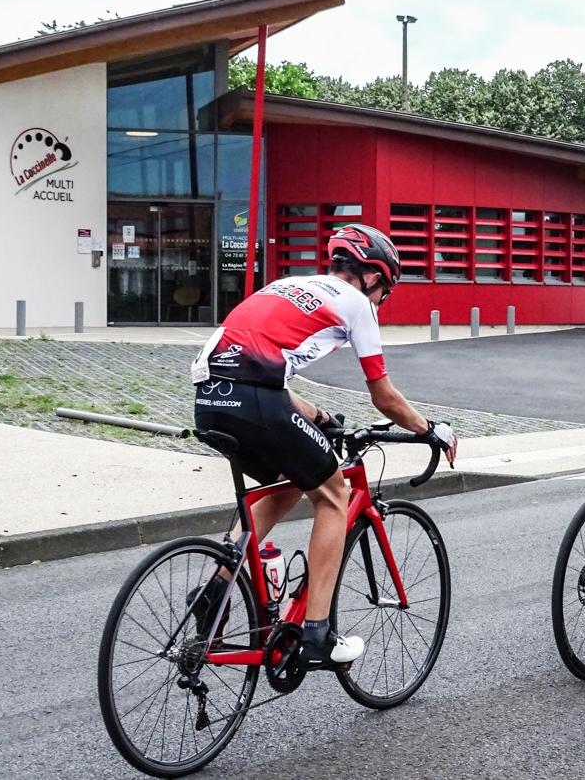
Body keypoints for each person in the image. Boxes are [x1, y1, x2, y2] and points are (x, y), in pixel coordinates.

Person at [189, 224, 458, 667]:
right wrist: (428, 428)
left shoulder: (286, 285)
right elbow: (384, 395)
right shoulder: (355, 304)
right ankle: (318, 635)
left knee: (288, 482)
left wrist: (318, 417)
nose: (379, 300)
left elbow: (263, 370)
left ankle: (214, 588)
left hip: (209, 399)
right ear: (373, 276)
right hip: (258, 398)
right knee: (335, 494)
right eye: (383, 290)